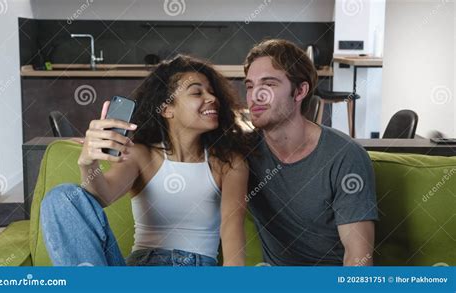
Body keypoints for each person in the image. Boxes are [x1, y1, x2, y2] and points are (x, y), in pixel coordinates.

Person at [40, 55, 249, 266]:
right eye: (197, 92)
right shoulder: (141, 154)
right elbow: (102, 196)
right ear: (167, 108)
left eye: (212, 91)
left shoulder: (229, 163)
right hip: (140, 270)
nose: (211, 98)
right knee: (62, 196)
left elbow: (232, 231)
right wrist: (88, 164)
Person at [243, 39, 378, 266]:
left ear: (300, 91)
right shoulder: (243, 152)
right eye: (249, 86)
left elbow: (358, 259)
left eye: (269, 84)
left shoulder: (344, 156)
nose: (255, 96)